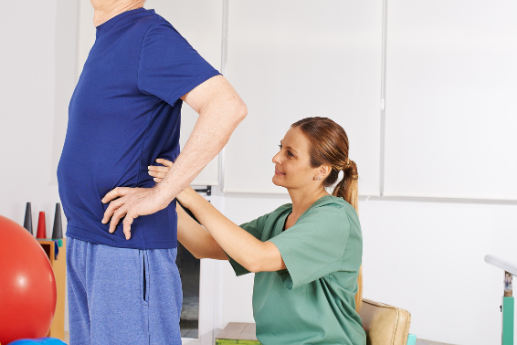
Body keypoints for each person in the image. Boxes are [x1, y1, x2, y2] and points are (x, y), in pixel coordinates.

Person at [56, 0, 247, 344]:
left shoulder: (148, 37)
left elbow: (227, 106)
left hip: (126, 251)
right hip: (87, 240)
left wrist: (163, 194)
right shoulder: (109, 39)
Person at [149, 117, 366, 345]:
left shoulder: (335, 219)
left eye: (290, 154)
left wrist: (187, 193)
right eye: (280, 148)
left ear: (321, 170)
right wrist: (164, 197)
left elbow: (256, 258)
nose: (276, 158)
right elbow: (203, 245)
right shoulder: (280, 218)